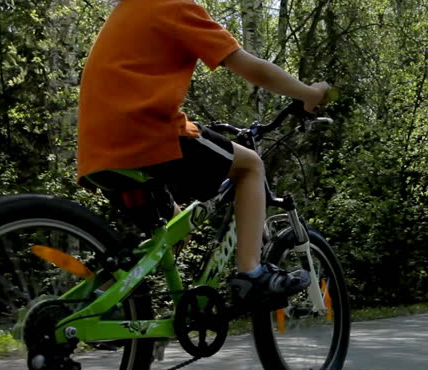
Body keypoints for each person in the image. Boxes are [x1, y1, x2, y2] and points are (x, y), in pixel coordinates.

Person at [75, 0, 330, 307]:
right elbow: (253, 69)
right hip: (145, 133)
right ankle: (252, 273)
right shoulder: (174, 6)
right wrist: (309, 93)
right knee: (250, 166)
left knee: (174, 230)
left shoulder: (128, 10)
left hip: (97, 150)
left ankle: (110, 303)